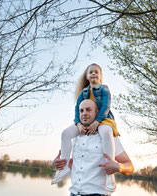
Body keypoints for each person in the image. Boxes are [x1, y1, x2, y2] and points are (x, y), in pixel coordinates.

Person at [51, 63, 120, 192]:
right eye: (91, 72)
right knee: (65, 133)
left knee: (105, 132)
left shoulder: (104, 89)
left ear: (100, 76)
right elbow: (78, 109)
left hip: (104, 119)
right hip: (84, 122)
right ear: (87, 76)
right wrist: (78, 124)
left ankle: (109, 173)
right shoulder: (84, 92)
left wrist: (97, 122)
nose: (93, 74)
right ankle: (64, 167)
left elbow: (105, 106)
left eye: (96, 72)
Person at [53, 99, 134, 195]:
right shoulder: (74, 137)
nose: (84, 113)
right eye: (81, 110)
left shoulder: (108, 137)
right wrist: (58, 164)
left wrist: (118, 167)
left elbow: (130, 166)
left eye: (88, 109)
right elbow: (73, 165)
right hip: (73, 193)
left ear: (97, 112)